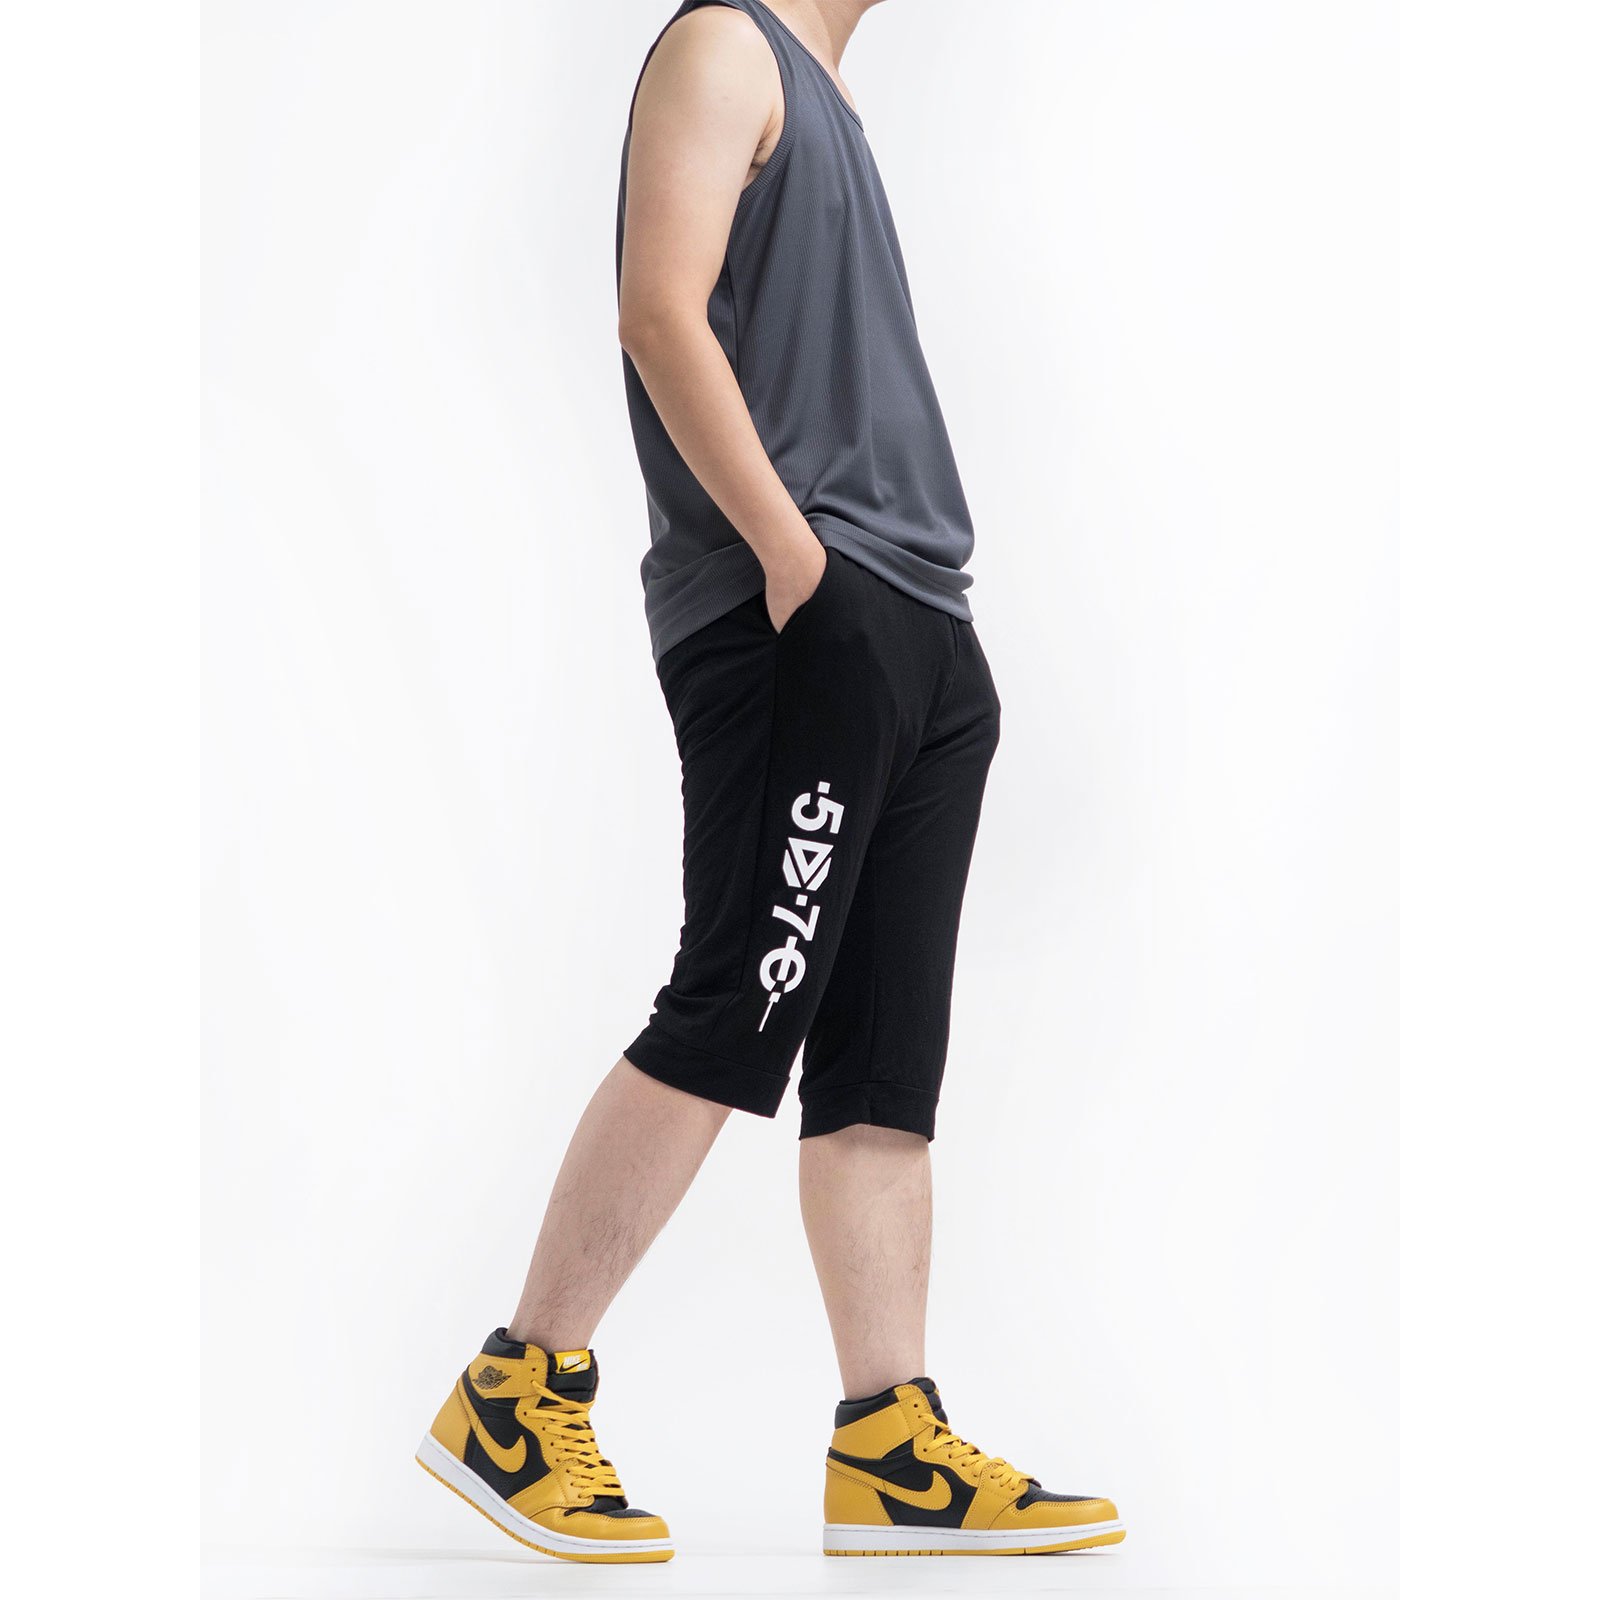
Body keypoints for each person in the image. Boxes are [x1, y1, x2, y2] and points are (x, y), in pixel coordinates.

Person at [414, 0, 1123, 1563]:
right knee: (742, 994)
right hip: (799, 612)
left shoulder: (829, 97)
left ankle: (889, 1442)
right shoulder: (723, 47)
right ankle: (515, 1392)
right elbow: (656, 312)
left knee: (881, 1056)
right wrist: (803, 573)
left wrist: (897, 621)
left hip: (916, 619)